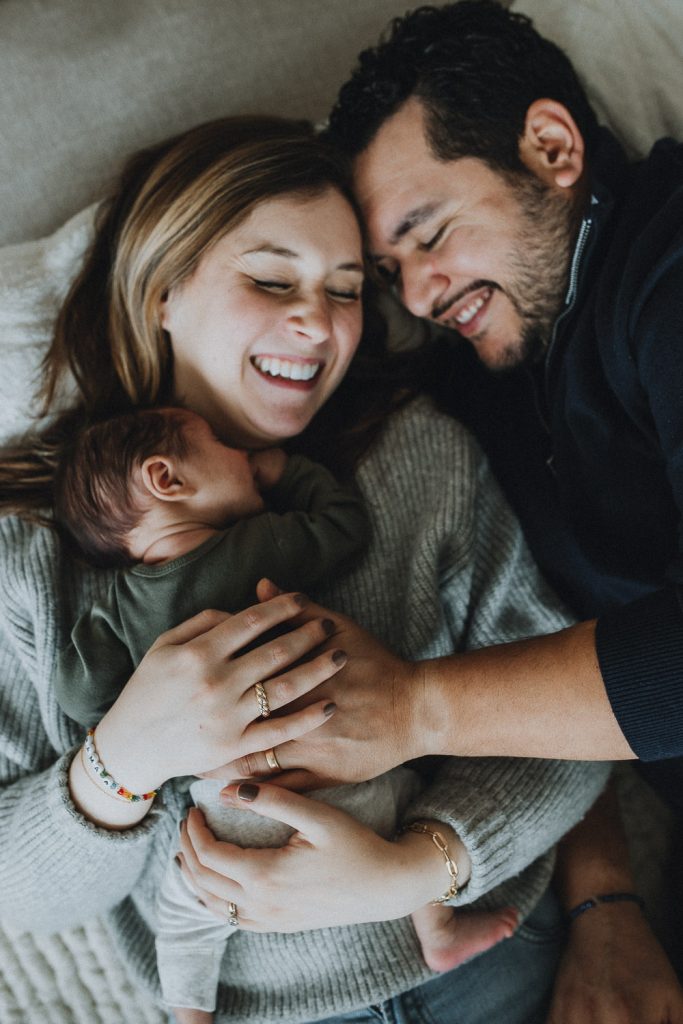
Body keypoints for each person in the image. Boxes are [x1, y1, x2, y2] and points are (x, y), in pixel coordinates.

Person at [0, 114, 608, 1024]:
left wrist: (428, 858)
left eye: (349, 288)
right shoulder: (32, 557)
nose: (318, 323)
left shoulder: (419, 457)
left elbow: (575, 724)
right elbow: (20, 894)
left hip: (488, 952)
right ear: (162, 289)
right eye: (272, 278)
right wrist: (121, 760)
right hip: (255, 1006)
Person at [214, 3, 683, 1020]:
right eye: (386, 276)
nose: (416, 295)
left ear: (550, 146)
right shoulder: (486, 378)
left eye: (426, 235)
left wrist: (414, 706)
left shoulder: (666, 267)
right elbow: (537, 635)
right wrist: (603, 899)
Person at [51, 404, 517, 1021]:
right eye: (223, 442)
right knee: (412, 801)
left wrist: (118, 717)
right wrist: (286, 472)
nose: (244, 454)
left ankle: (191, 1012)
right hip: (341, 772)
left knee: (189, 911)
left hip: (225, 803)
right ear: (167, 479)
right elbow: (344, 525)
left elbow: (78, 695)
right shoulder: (259, 544)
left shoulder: (116, 609)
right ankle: (437, 933)